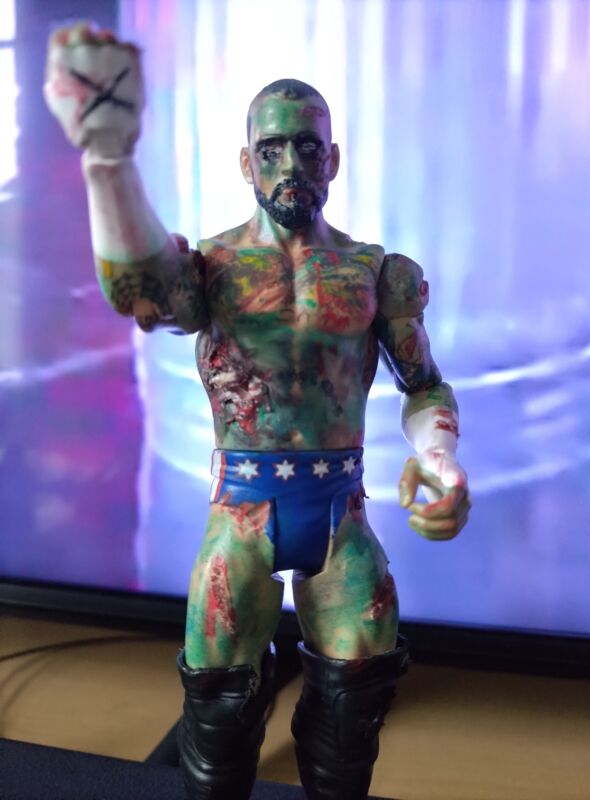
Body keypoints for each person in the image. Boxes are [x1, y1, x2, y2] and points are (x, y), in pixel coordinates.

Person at [45, 23, 470, 800]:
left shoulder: (374, 273)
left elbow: (424, 386)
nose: (290, 165)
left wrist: (439, 457)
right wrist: (107, 158)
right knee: (217, 725)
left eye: (307, 147)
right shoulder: (213, 270)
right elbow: (139, 289)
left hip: (340, 515)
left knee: (352, 724)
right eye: (271, 150)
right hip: (240, 515)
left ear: (332, 159)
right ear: (246, 163)